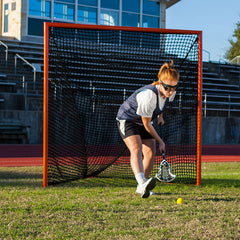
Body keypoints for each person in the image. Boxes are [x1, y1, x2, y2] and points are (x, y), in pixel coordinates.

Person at [116, 60, 179, 198]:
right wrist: (161, 141)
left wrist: (160, 116)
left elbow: (163, 102)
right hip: (128, 119)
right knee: (136, 148)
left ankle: (142, 187)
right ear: (160, 83)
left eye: (174, 88)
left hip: (144, 120)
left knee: (151, 150)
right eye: (168, 87)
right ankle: (141, 182)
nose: (170, 91)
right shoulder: (148, 96)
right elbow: (147, 124)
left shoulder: (170, 93)